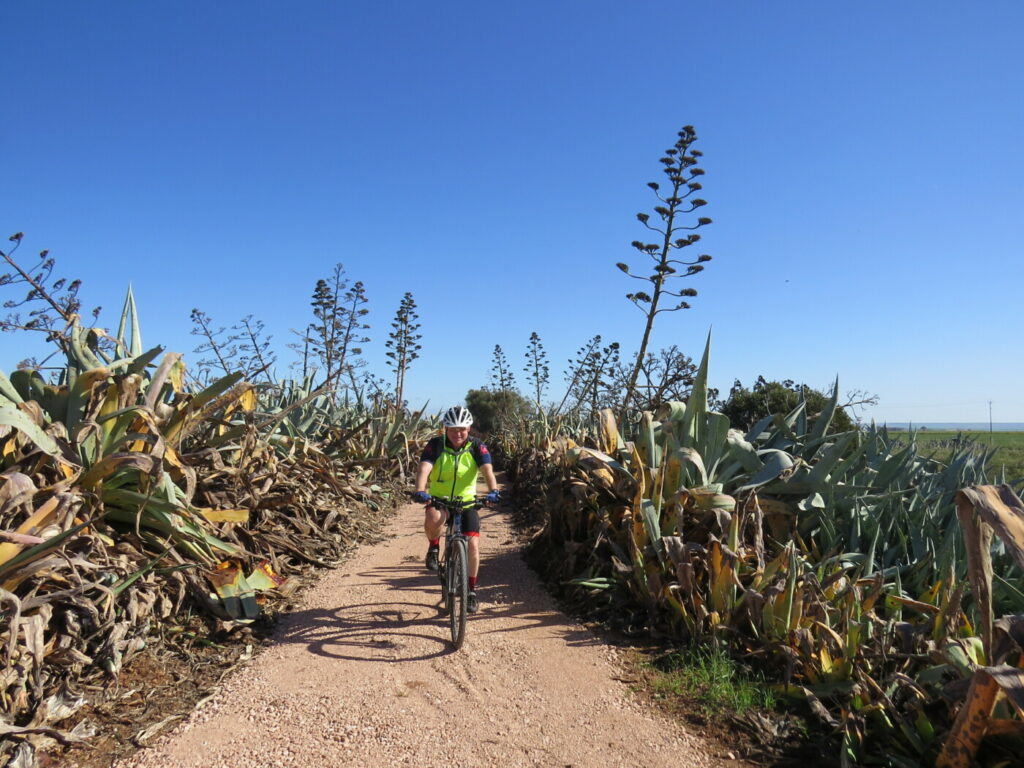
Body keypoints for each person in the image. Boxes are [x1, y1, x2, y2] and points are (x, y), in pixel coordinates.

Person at [412, 405, 499, 614]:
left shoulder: (477, 446)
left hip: (467, 502)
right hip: (440, 499)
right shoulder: (436, 445)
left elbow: (487, 470)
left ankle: (471, 591)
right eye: (452, 429)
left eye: (462, 429)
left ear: (469, 428)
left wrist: (493, 491)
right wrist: (420, 490)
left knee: (473, 547)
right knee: (433, 518)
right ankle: (434, 548)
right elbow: (425, 467)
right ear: (445, 429)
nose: (458, 433)